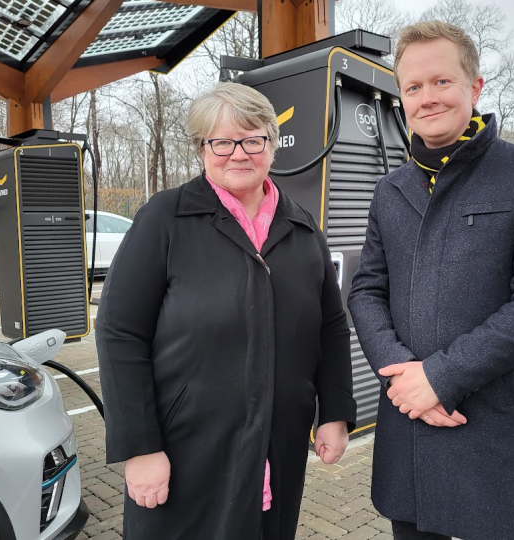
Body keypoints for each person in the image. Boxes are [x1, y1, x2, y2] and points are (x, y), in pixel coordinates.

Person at [347, 21, 514, 540]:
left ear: (474, 87)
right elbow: (366, 291)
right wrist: (404, 377)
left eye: (442, 82)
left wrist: (440, 379)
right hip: (409, 429)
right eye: (413, 87)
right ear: (400, 97)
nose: (427, 98)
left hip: (493, 435)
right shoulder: (390, 191)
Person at [96, 82, 356, 540]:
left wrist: (333, 411)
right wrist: (140, 448)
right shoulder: (165, 218)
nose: (239, 153)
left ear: (272, 145)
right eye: (222, 141)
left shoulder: (302, 227)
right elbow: (120, 332)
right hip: (184, 450)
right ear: (202, 148)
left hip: (280, 445)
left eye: (253, 139)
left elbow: (331, 328)